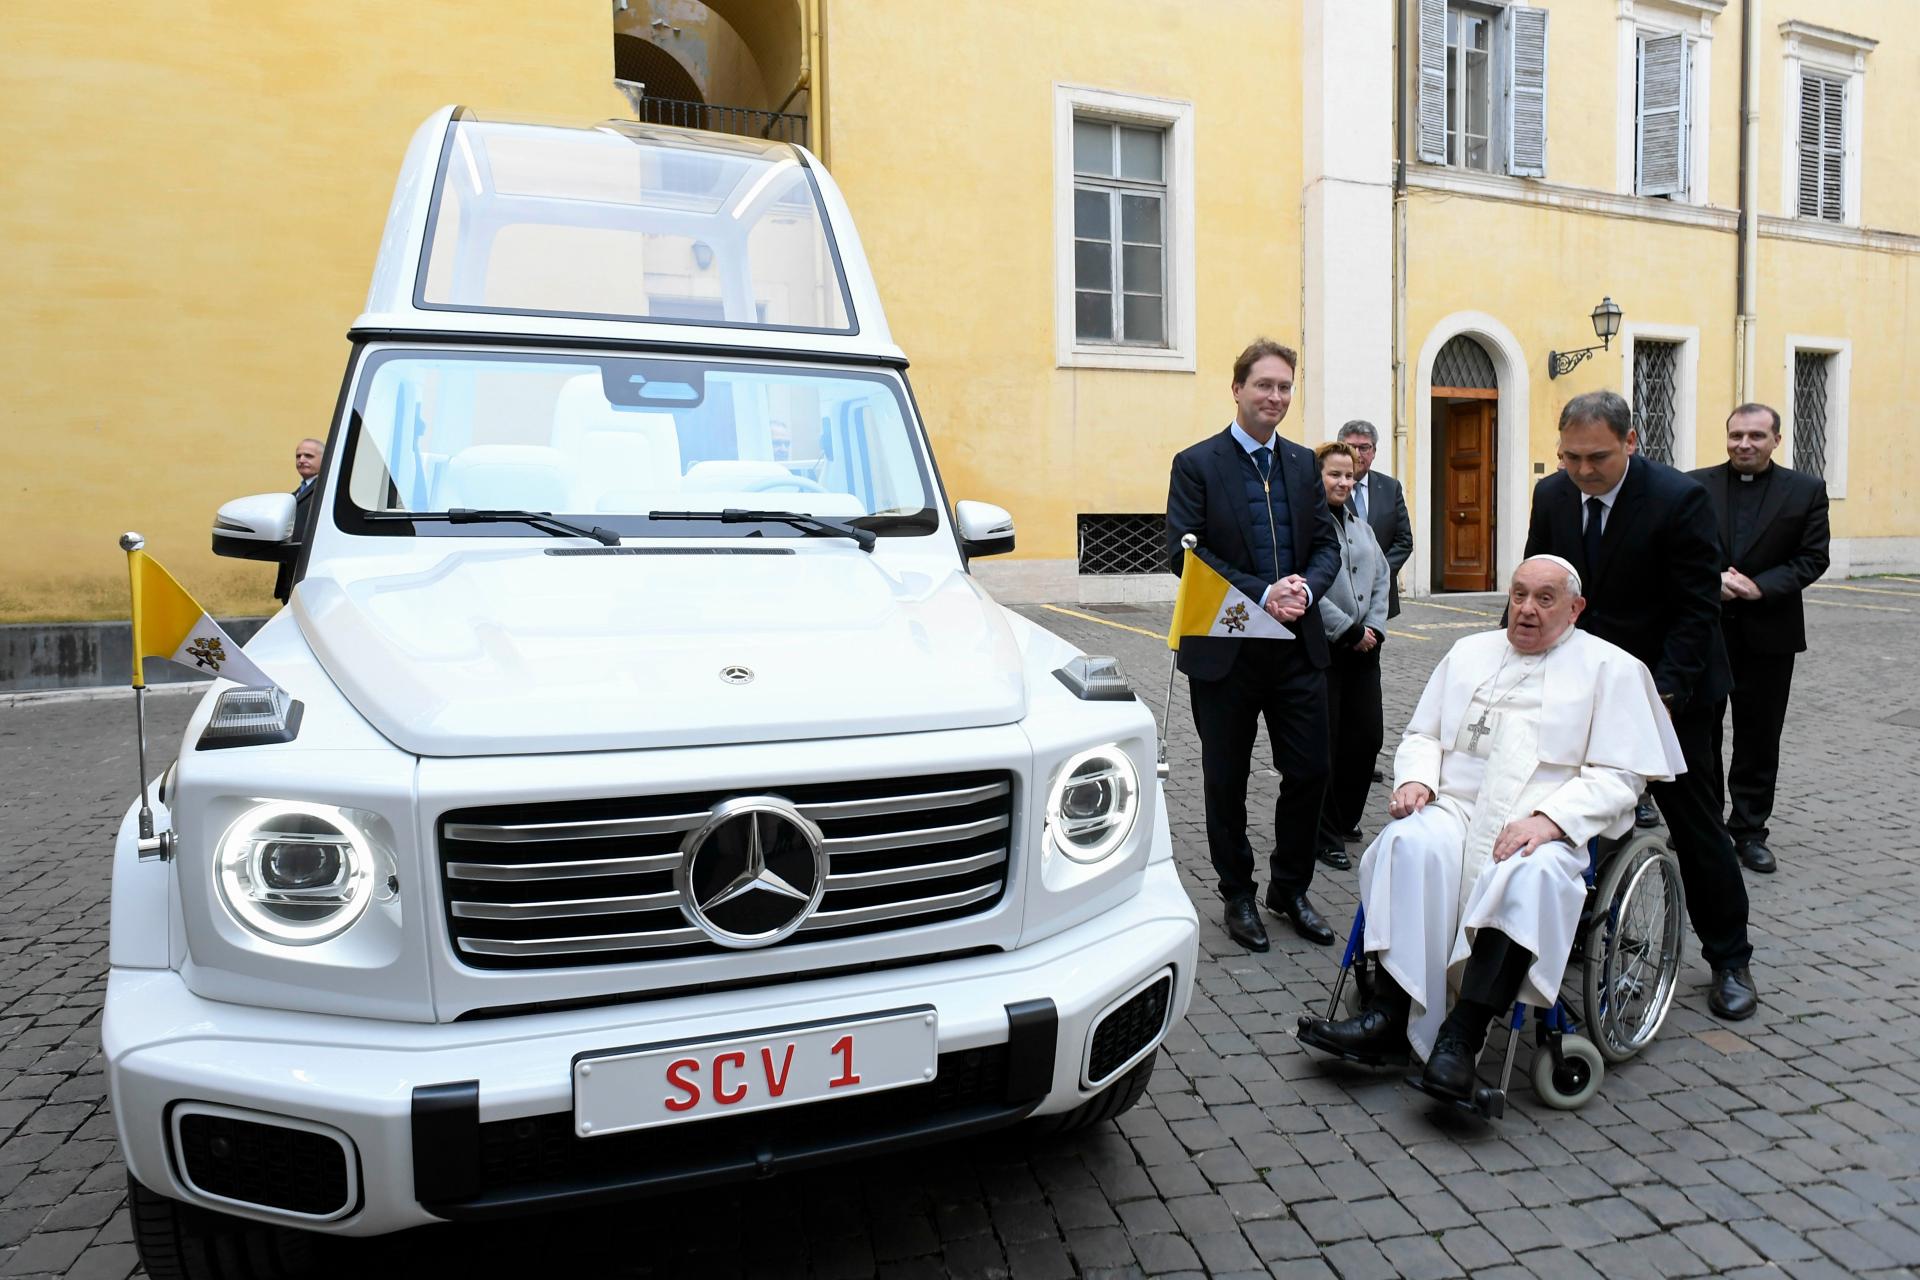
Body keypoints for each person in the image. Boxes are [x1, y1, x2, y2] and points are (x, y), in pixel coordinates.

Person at [1298, 556, 1683, 1098]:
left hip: (1541, 821)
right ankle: (1387, 1013)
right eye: (1519, 594)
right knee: (1407, 843)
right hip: (1456, 807)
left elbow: (1623, 777)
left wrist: (1552, 820)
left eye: (1545, 599)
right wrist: (1417, 780)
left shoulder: (1610, 669)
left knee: (1529, 877)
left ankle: (1462, 1035)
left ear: (1575, 609)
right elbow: (1423, 734)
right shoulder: (1469, 652)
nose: (1526, 610)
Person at [1523, 390, 1757, 1020]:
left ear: (1630, 441)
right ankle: (1575, 928)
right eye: (1569, 457)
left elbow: (1695, 610)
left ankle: (1730, 959)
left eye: (1596, 457)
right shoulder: (1552, 496)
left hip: (1671, 689)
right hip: (1583, 685)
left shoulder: (1680, 500)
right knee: (1572, 808)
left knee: (1696, 822)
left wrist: (1662, 695)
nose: (1581, 471)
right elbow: (1541, 586)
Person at [1166, 338, 1342, 952]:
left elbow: (1326, 546)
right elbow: (1184, 552)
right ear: (1237, 388)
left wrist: (1305, 591)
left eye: (1285, 387)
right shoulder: (1197, 464)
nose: (1275, 396)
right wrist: (1260, 593)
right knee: (1226, 778)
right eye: (1264, 385)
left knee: (1312, 769)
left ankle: (1289, 888)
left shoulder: (1300, 464)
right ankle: (1237, 892)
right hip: (1227, 651)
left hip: (1296, 648)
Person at [1691, 403, 1831, 875]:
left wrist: (1759, 586)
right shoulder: (1694, 485)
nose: (1743, 445)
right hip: (1706, 631)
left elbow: (1813, 558)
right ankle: (1704, 826)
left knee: (1758, 735)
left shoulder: (1806, 490)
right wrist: (1712, 578)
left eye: (1755, 436)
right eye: (1735, 436)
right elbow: (1679, 547)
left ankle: (1750, 830)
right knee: (1701, 732)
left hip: (1769, 632)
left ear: (1776, 440)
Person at [1311, 441, 1389, 872]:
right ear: (1317, 477)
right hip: (1327, 649)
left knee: (1366, 739)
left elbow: (1382, 576)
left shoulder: (1361, 527)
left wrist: (1374, 627)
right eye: (1334, 474)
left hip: (1365, 649)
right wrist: (1349, 629)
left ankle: (1345, 819)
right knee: (1327, 743)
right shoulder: (1307, 527)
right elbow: (1306, 587)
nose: (1344, 482)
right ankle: (1324, 835)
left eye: (1349, 476)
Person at [1337, 420, 1414, 618]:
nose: (1357, 453)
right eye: (1350, 447)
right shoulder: (1326, 487)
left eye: (1364, 447)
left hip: (1380, 594)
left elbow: (1404, 541)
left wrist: (1377, 573)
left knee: (1373, 646)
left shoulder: (1390, 487)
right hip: (1340, 592)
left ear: (1374, 452)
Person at [277, 438, 325, 601]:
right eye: (298, 456)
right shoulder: (294, 494)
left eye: (309, 456)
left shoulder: (325, 491)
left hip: (311, 578)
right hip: (291, 578)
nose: (302, 460)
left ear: (324, 459)